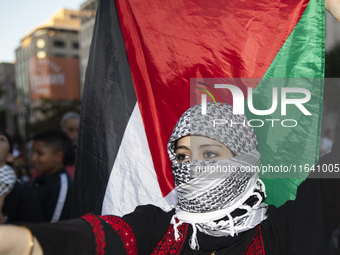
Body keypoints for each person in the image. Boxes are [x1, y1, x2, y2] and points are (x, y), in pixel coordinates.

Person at [0, 102, 339, 255]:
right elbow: (86, 239)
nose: (191, 166)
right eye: (181, 155)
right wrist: (17, 241)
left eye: (209, 154)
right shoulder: (157, 228)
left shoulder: (286, 230)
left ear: (244, 162)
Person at [0, 128, 44, 224]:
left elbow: (34, 234)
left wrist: (2, 220)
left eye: (1, 139)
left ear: (10, 156)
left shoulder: (25, 194)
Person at [31, 129, 73, 223]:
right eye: (33, 152)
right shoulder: (39, 181)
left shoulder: (63, 187)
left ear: (59, 156)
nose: (33, 158)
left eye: (40, 153)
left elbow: (52, 228)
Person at [60, 112, 79, 179]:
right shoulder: (53, 152)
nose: (75, 134)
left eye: (78, 130)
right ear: (62, 129)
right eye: (70, 130)